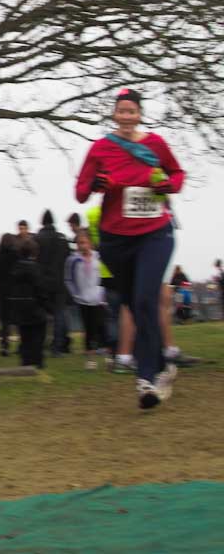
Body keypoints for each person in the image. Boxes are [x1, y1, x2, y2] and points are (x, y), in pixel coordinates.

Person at [75, 88, 184, 409]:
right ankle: (162, 364)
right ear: (114, 114)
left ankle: (146, 379)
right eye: (121, 111)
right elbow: (80, 192)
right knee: (136, 307)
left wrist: (167, 185)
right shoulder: (101, 148)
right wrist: (96, 184)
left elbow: (177, 174)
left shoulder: (155, 144)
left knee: (145, 298)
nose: (126, 116)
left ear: (139, 114)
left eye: (131, 111)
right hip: (115, 240)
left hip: (155, 234)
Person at [9, 237, 51, 368]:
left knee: (25, 337)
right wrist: (46, 305)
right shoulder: (35, 269)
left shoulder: (15, 268)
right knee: (38, 337)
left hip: (20, 308)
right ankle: (37, 362)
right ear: (35, 253)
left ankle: (25, 361)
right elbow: (41, 289)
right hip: (35, 308)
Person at [35, 211, 70, 355]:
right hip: (59, 281)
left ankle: (40, 344)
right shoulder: (62, 239)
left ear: (42, 221)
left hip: (42, 281)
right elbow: (68, 257)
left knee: (41, 314)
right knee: (59, 314)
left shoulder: (37, 238)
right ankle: (57, 346)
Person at [66, 231, 104, 354]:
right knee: (87, 324)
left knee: (97, 323)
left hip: (97, 296)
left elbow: (104, 275)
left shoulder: (98, 257)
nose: (81, 246)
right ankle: (89, 349)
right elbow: (68, 279)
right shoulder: (73, 260)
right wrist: (75, 294)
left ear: (90, 243)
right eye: (79, 243)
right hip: (82, 297)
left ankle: (99, 346)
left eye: (83, 243)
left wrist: (103, 292)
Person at [0, 234, 19, 356]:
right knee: (18, 318)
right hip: (15, 290)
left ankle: (4, 345)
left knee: (4, 320)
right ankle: (22, 344)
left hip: (3, 291)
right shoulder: (17, 256)